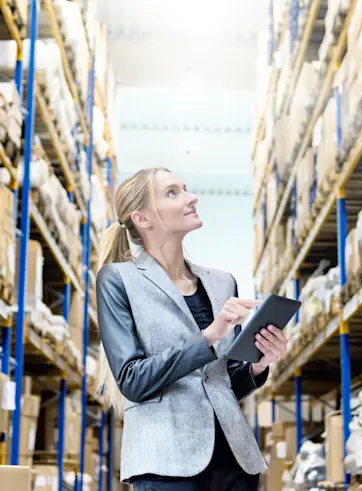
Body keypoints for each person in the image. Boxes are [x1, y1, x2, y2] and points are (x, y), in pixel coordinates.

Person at [96, 168, 287, 491]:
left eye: (185, 189)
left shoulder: (221, 282)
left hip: (235, 461)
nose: (192, 197)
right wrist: (210, 335)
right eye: (173, 192)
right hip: (165, 465)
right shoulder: (118, 280)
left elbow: (222, 383)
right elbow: (133, 380)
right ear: (142, 218)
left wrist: (258, 363)